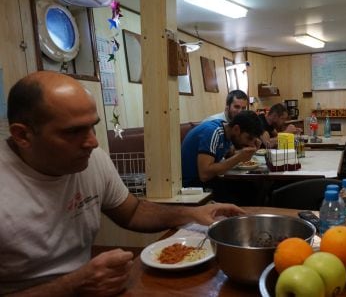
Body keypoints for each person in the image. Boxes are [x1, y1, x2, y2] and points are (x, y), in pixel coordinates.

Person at [0, 71, 245, 296]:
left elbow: (133, 212)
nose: (93, 143)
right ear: (23, 135)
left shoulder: (93, 160)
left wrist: (193, 214)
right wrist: (72, 284)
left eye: (93, 127)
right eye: (73, 132)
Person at [181, 110, 263, 204]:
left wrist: (246, 151)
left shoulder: (227, 131)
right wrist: (239, 157)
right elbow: (204, 174)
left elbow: (229, 154)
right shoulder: (213, 132)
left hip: (207, 180)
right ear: (236, 129)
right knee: (241, 199)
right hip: (192, 186)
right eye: (249, 138)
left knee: (250, 189)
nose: (250, 143)